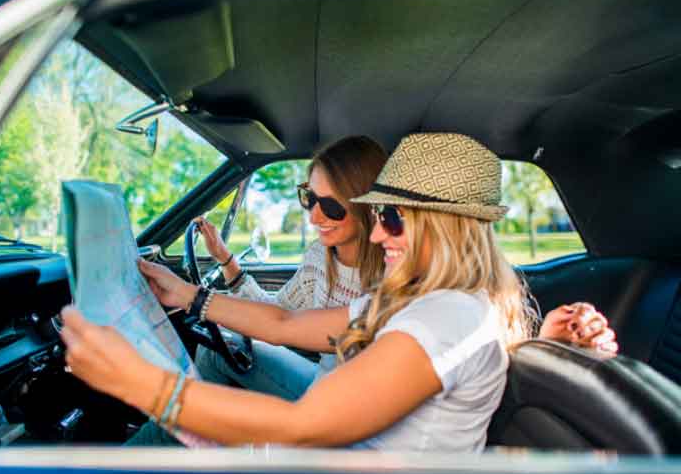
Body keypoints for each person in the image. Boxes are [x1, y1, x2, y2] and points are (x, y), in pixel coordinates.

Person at [61, 133, 614, 450]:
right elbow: (283, 326)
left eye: (392, 219)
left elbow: (302, 424)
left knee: (170, 435)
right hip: (336, 459)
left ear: (446, 225)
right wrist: (190, 297)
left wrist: (142, 384)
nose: (375, 234)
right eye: (375, 216)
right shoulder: (419, 302)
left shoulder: (449, 316)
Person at [195, 137, 616, 400]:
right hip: (337, 400)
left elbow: (474, 363)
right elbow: (280, 318)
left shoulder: (420, 303)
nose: (314, 217)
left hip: (342, 411)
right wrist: (222, 272)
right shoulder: (384, 289)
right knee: (221, 351)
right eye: (309, 198)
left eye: (392, 218)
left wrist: (544, 352)